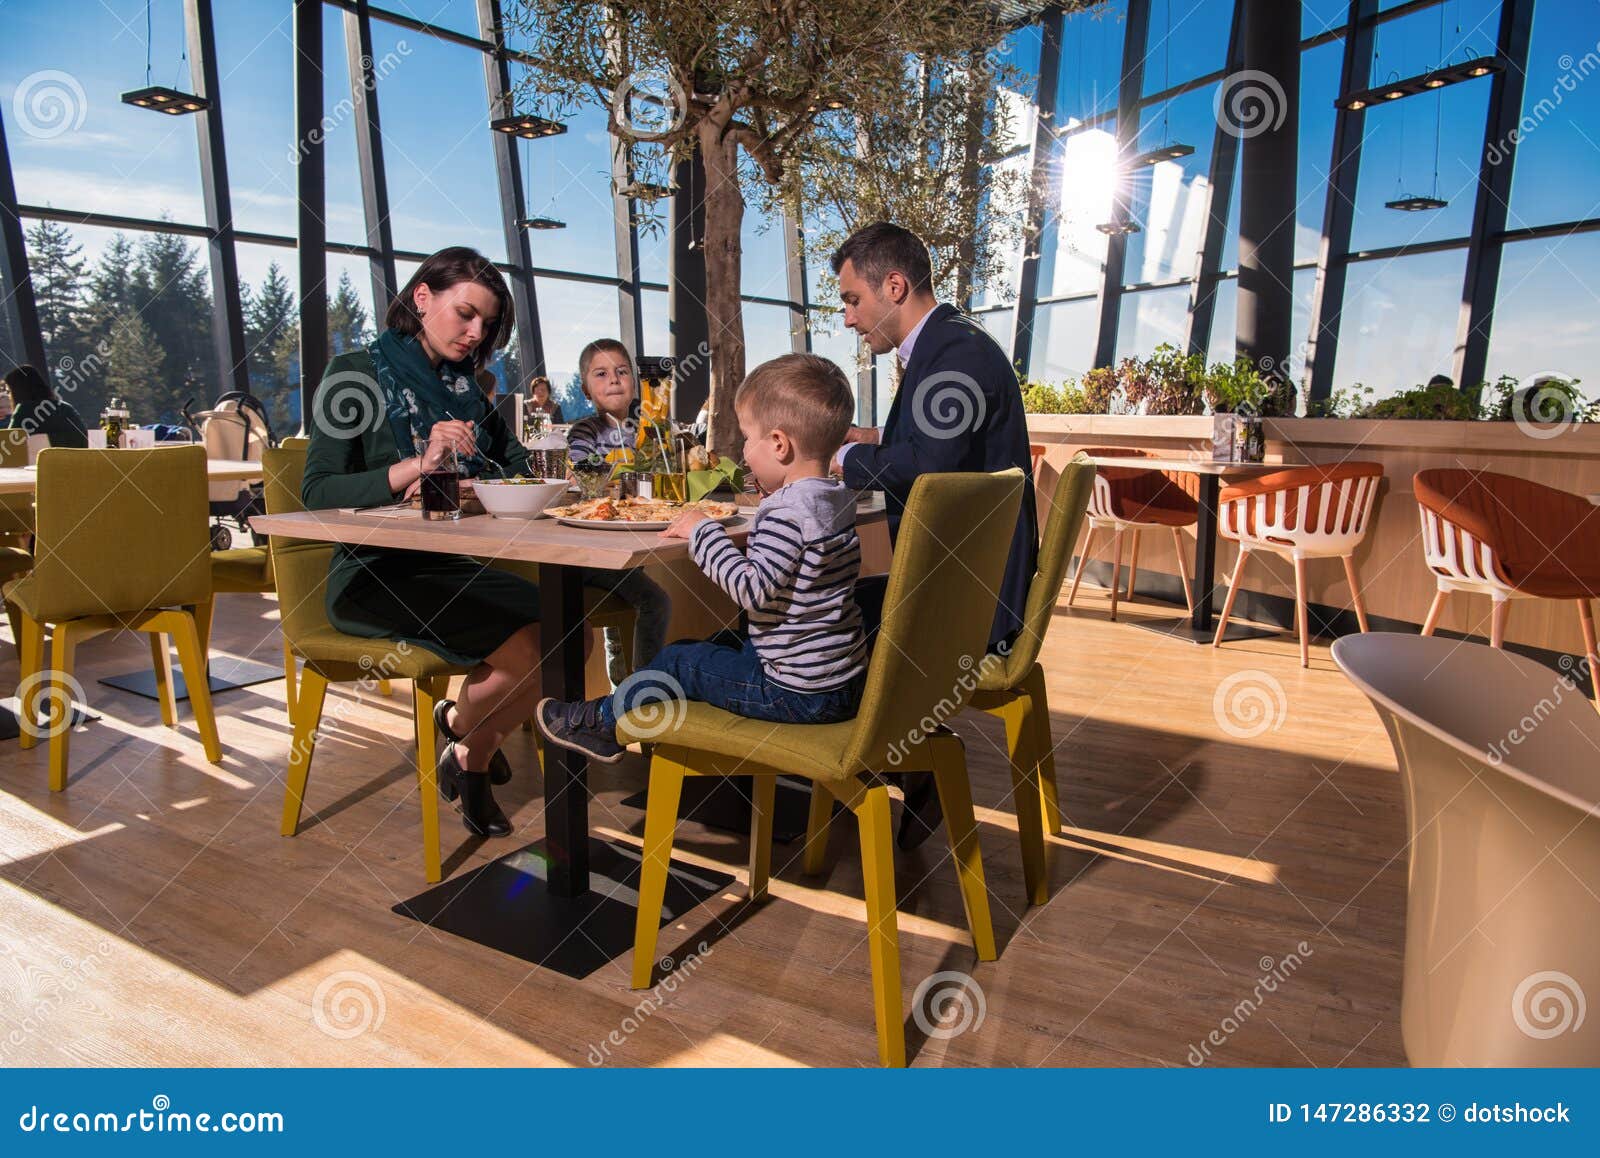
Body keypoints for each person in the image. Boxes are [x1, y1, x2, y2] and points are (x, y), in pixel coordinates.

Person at [302, 246, 539, 839]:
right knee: (531, 651)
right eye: (465, 314)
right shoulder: (355, 373)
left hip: (446, 564)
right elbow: (318, 491)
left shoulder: (465, 390)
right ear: (422, 297)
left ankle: (459, 733)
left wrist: (482, 478)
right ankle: (474, 759)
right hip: (373, 575)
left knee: (571, 629)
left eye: (485, 322)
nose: (475, 332)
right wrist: (418, 465)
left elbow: (516, 470)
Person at [535, 353, 865, 760]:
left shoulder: (787, 511)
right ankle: (634, 721)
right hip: (838, 682)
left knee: (677, 659)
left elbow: (751, 590)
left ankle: (599, 722)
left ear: (779, 444)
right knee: (709, 645)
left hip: (793, 693)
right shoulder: (834, 498)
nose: (744, 452)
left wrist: (701, 530)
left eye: (747, 437)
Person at [831, 221, 1038, 849]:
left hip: (971, 602)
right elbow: (931, 455)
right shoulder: (950, 347)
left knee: (813, 611)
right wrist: (876, 444)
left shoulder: (959, 355)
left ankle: (892, 766)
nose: (846, 319)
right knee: (835, 581)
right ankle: (885, 763)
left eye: (851, 300)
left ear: (894, 286)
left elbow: (928, 471)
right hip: (963, 576)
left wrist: (840, 462)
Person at [562, 338, 672, 685]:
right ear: (585, 389)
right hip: (592, 553)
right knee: (655, 602)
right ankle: (641, 688)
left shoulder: (649, 427)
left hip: (628, 547)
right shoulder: (585, 430)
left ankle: (624, 686)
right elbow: (584, 473)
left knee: (627, 618)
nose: (614, 379)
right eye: (602, 373)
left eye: (622, 372)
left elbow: (665, 467)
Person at [2, 364, 89, 448]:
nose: (9, 396)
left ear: (18, 391)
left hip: (39, 462)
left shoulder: (23, 410)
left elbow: (9, 444)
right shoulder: (66, 407)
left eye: (9, 391)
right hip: (78, 460)